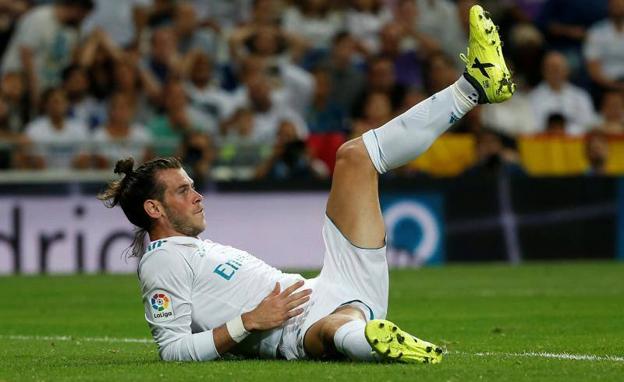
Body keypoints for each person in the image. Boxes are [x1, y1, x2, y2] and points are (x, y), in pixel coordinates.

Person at [98, 5, 514, 363]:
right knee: (333, 330)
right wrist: (249, 323)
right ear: (154, 209)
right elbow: (172, 350)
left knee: (356, 157)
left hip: (327, 284)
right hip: (295, 329)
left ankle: (473, 86)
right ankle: (369, 339)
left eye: (192, 186)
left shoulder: (189, 249)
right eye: (183, 190)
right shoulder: (161, 260)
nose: (198, 195)